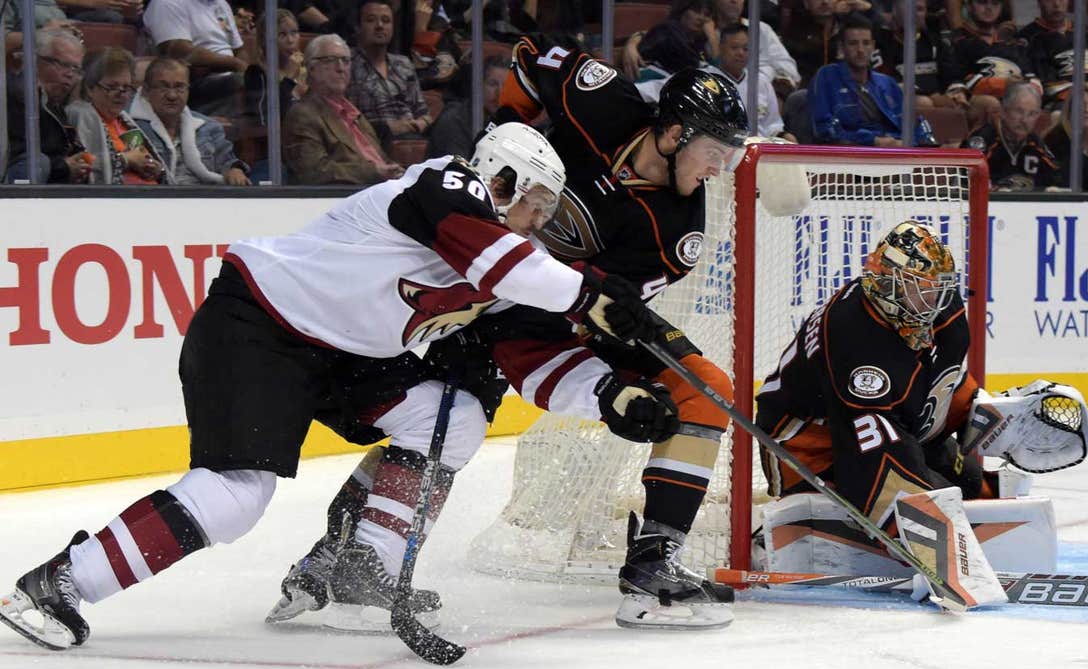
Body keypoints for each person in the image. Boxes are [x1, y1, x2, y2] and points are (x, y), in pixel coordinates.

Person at [0, 121, 663, 651]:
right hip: (258, 326)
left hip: (345, 357)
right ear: (502, 177)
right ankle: (58, 583)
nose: (539, 221)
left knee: (453, 414)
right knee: (235, 497)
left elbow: (531, 348)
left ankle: (361, 569)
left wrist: (609, 396)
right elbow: (509, 265)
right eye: (536, 203)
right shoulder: (445, 183)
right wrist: (589, 293)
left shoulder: (516, 261)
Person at [276, 50, 752, 631]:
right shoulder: (604, 101)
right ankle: (335, 554)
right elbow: (530, 64)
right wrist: (502, 137)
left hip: (545, 312)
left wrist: (611, 388)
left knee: (704, 387)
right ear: (675, 133)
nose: (720, 169)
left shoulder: (676, 233)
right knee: (445, 421)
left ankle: (654, 567)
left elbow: (602, 312)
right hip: (468, 272)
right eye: (716, 151)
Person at [753, 220, 1088, 579]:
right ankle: (801, 536)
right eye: (922, 291)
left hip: (871, 420)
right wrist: (927, 535)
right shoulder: (853, 334)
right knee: (932, 496)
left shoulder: (935, 309)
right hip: (804, 445)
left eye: (938, 289)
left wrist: (979, 412)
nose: (934, 301)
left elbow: (936, 384)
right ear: (888, 284)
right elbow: (871, 445)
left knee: (970, 482)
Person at [284, 35, 404, 185]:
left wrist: (395, 171)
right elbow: (313, 172)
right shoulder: (303, 115)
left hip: (381, 189)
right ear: (311, 68)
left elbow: (380, 160)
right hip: (349, 195)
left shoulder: (354, 113)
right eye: (330, 60)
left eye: (345, 61)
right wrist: (375, 172)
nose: (341, 68)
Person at [130, 58, 252, 186]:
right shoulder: (130, 126)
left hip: (205, 195)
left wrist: (234, 170)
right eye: (163, 87)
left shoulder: (209, 127)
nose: (172, 95)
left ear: (188, 90)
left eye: (179, 87)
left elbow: (228, 162)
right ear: (146, 90)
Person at [810, 16, 929, 147]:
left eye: (866, 43)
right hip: (852, 153)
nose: (860, 50)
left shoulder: (887, 83)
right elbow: (824, 130)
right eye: (853, 43)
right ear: (842, 47)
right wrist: (873, 141)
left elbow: (914, 128)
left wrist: (904, 144)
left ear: (873, 47)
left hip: (896, 150)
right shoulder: (826, 77)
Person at [66, 47, 170, 185]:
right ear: (90, 88)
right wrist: (126, 160)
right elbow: (85, 167)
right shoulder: (81, 114)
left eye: (126, 88)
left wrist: (156, 169)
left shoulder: (124, 119)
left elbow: (141, 157)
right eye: (112, 87)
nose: (121, 94)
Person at [4, 28, 91, 184]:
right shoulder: (16, 96)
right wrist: (64, 168)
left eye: (75, 69)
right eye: (63, 65)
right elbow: (18, 156)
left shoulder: (54, 105)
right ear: (35, 60)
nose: (70, 74)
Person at [143, 0, 255, 118]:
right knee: (240, 82)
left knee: (262, 82)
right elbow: (180, 52)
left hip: (230, 76)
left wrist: (251, 72)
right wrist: (236, 65)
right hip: (193, 82)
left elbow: (239, 49)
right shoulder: (166, 3)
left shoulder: (221, 3)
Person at [348, 0, 434, 143]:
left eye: (386, 21)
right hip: (373, 141)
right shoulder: (346, 63)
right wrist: (388, 127)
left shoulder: (403, 63)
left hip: (413, 138)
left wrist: (421, 123)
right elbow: (345, 119)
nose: (380, 26)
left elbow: (423, 112)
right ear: (358, 27)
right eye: (371, 20)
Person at [948, 0, 1035, 128]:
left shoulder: (1014, 41)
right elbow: (959, 80)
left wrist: (1026, 86)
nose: (989, 8)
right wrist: (1003, 85)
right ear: (969, 6)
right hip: (978, 98)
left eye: (995, 3)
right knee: (991, 104)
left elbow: (1030, 74)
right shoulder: (958, 40)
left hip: (1016, 95)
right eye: (982, 2)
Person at [963, 81, 1060, 190]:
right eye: (1019, 111)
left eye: (1032, 114)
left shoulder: (1036, 145)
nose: (1024, 120)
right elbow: (962, 181)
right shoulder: (983, 140)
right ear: (1003, 111)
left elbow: (1057, 178)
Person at [704, 24, 794, 140]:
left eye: (746, 49)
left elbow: (772, 124)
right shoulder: (704, 78)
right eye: (734, 48)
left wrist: (784, 136)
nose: (740, 53)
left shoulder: (761, 82)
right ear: (721, 48)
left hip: (759, 144)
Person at [426, 55, 509, 159]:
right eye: (492, 84)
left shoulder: (512, 120)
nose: (500, 93)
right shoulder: (454, 121)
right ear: (478, 86)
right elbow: (458, 167)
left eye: (507, 86)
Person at [711, 0, 801, 96]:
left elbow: (790, 69)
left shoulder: (761, 29)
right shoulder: (705, 33)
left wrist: (773, 85)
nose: (734, 1)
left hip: (765, 94)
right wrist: (711, 37)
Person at [621, 0, 716, 82]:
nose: (701, 18)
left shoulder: (697, 40)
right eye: (696, 11)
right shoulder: (666, 31)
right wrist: (713, 39)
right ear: (682, 10)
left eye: (707, 15)